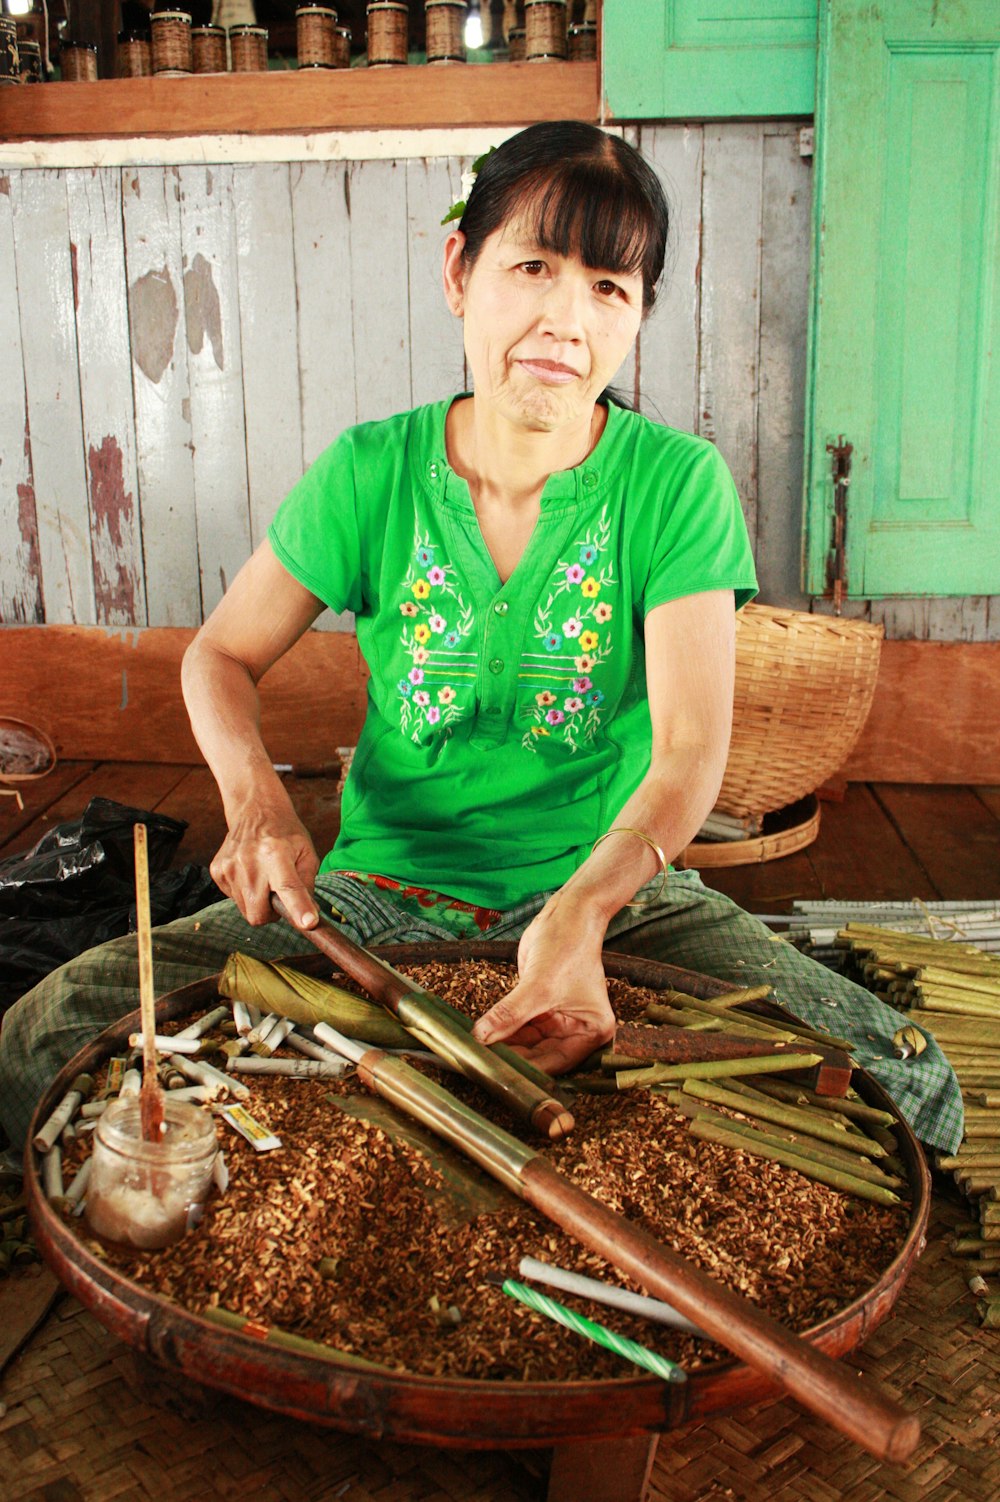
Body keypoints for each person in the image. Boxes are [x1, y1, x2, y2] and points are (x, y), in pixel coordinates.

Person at [0, 122, 962, 1157]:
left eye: (608, 287)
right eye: (534, 267)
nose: (565, 318)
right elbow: (218, 656)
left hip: (609, 900)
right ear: (460, 271)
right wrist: (258, 805)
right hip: (374, 901)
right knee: (40, 1034)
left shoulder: (675, 485)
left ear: (637, 315)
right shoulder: (370, 471)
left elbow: (689, 754)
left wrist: (583, 913)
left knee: (906, 1076)